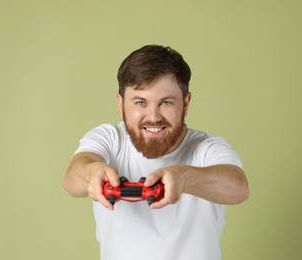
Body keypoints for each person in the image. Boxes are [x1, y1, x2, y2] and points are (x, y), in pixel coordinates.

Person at [63, 44, 249, 260]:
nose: (153, 116)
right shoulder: (110, 139)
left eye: (166, 102)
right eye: (140, 102)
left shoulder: (206, 149)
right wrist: (92, 173)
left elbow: (238, 186)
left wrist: (184, 177)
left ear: (185, 104)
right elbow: (72, 178)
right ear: (121, 104)